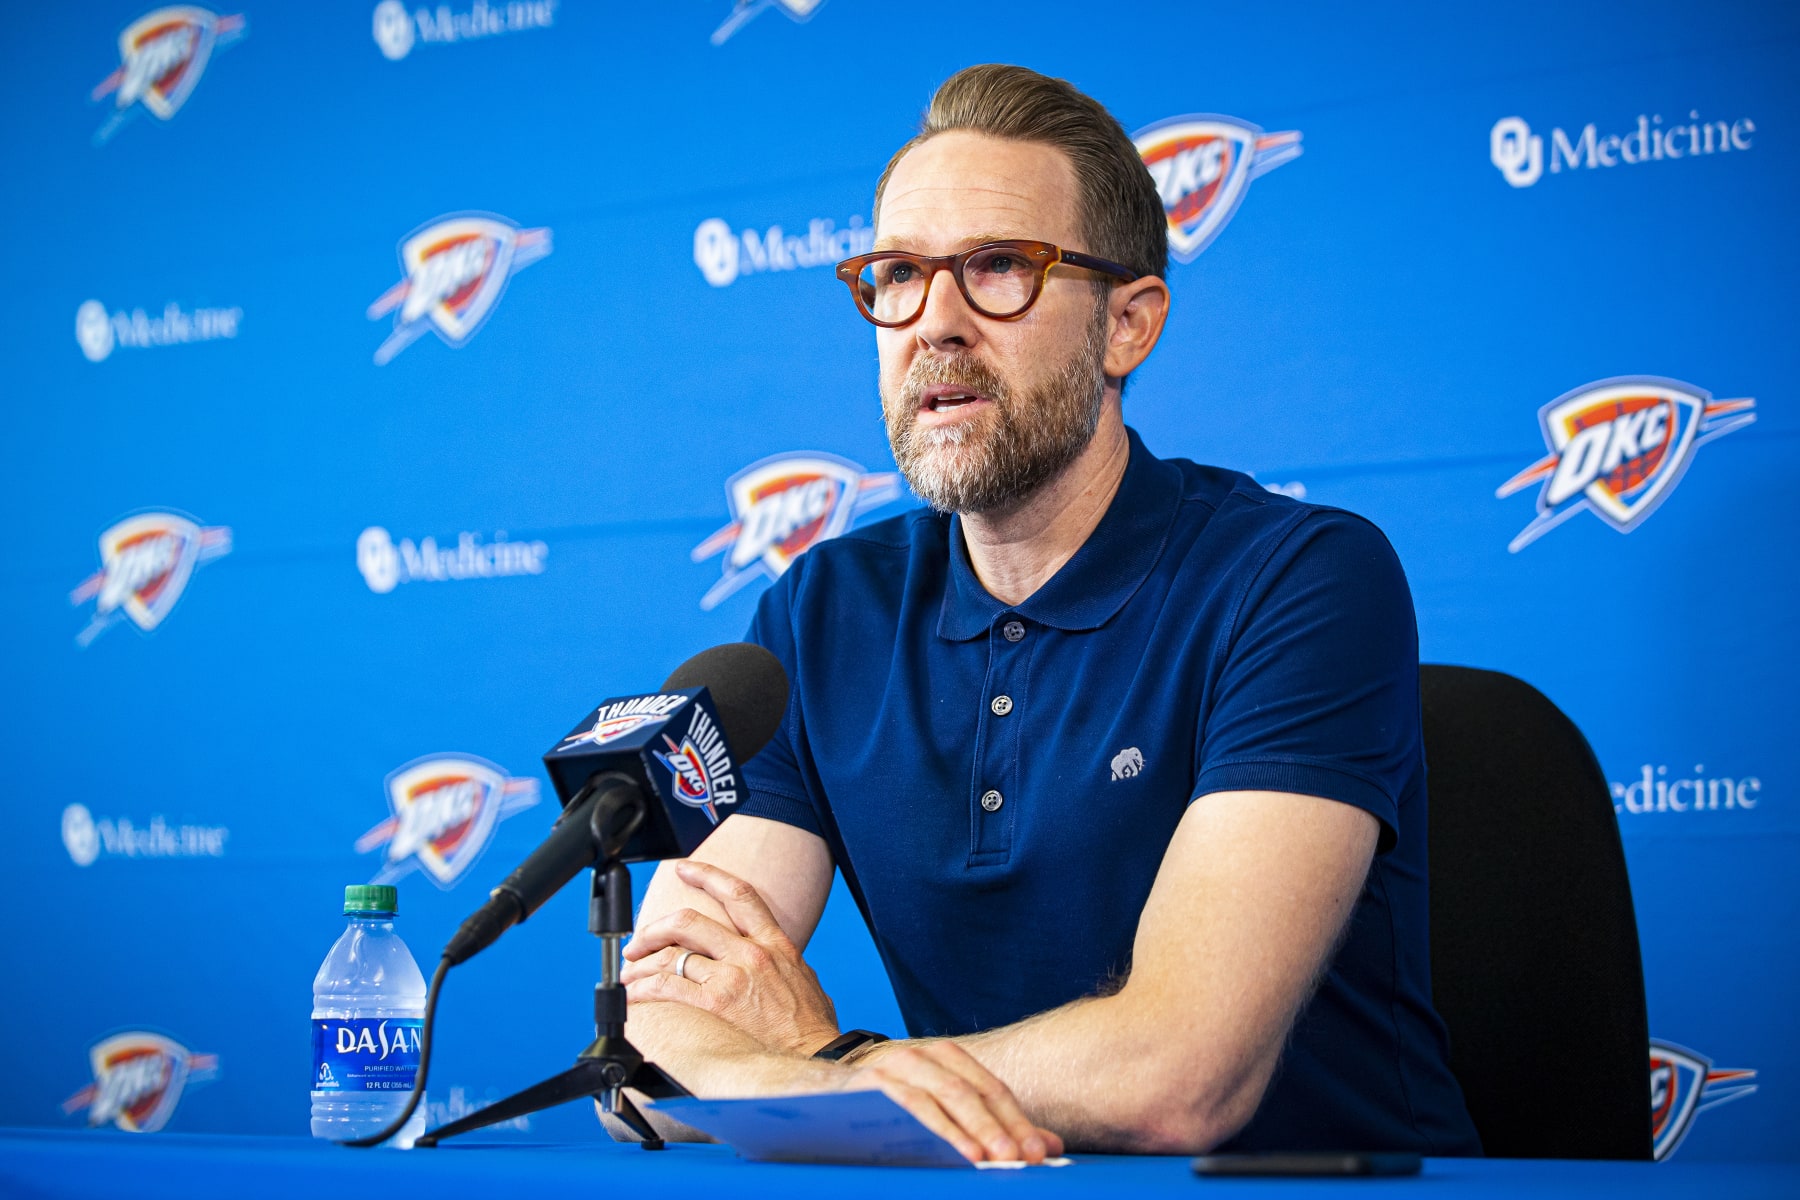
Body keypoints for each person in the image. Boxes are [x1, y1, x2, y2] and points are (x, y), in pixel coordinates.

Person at [612, 64, 1482, 1163]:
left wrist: (834, 1065)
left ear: (1128, 324)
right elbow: (661, 1038)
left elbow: (1179, 1075)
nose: (935, 322)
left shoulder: (1301, 578)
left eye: (998, 270)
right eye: (896, 275)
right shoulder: (819, 613)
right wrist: (757, 1066)